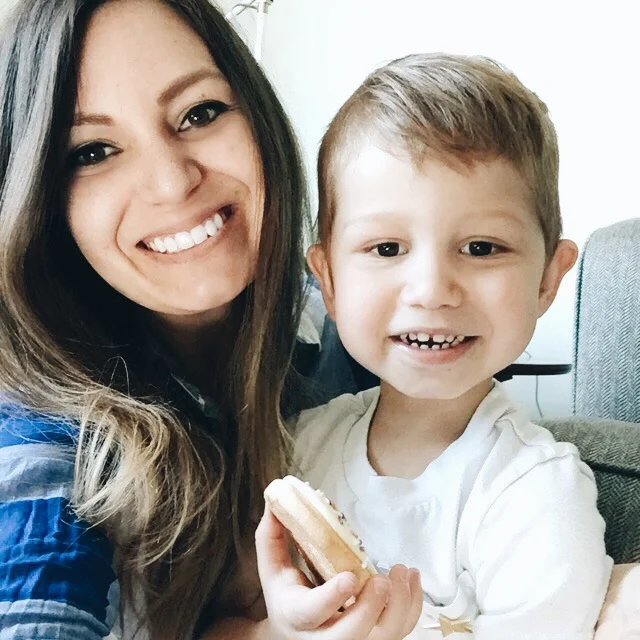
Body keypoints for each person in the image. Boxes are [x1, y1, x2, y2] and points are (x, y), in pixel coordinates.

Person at [0, 1, 412, 638]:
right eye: (94, 151)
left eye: (199, 113)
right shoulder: (40, 439)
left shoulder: (335, 320)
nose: (172, 182)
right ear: (43, 203)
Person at [225, 53, 613, 638]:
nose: (431, 290)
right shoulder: (295, 449)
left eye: (481, 248)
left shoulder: (536, 496)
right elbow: (212, 621)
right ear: (328, 282)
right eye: (386, 249)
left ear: (547, 280)